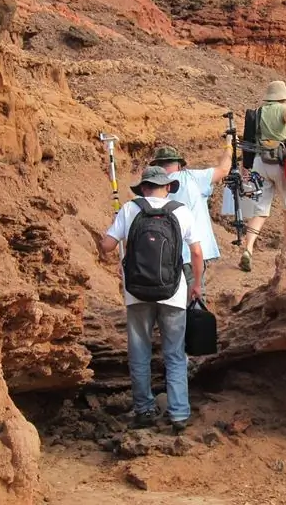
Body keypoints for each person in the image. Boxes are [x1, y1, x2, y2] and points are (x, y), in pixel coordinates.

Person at [98, 166, 204, 433]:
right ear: (167, 187)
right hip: (173, 292)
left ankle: (144, 409)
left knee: (139, 353)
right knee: (175, 354)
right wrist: (197, 285)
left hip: (136, 293)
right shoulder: (180, 211)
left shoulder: (130, 209)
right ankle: (179, 413)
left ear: (144, 187)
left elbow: (107, 246)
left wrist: (107, 245)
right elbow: (197, 253)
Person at [239, 80, 286, 273]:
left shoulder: (261, 110)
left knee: (261, 209)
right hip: (279, 161)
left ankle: (248, 248)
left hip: (260, 162)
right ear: (282, 96)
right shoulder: (283, 109)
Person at [149, 144, 231, 302]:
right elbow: (223, 170)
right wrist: (228, 147)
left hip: (163, 254)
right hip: (192, 252)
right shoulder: (192, 177)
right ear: (179, 164)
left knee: (171, 301)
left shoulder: (153, 187)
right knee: (195, 297)